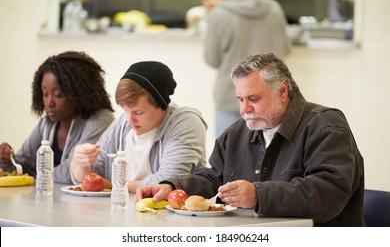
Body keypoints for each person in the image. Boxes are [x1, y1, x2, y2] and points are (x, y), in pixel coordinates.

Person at [136, 53, 365, 227]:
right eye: (240, 99)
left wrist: (259, 195)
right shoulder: (236, 133)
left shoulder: (325, 127)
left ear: (283, 92)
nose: (244, 109)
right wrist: (173, 187)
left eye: (253, 98)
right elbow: (215, 177)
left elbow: (329, 193)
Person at [70, 61, 207, 193]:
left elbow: (169, 181)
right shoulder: (124, 123)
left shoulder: (186, 122)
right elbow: (94, 177)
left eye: (138, 112)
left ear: (162, 105)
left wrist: (116, 186)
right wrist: (80, 162)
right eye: (125, 111)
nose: (130, 119)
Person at [0, 51, 115, 184]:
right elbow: (25, 165)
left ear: (78, 94)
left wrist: (38, 178)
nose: (49, 103)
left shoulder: (100, 120)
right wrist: (8, 160)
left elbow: (70, 172)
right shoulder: (48, 124)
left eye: (58, 95)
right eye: (45, 94)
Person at [205, 0, 290, 136]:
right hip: (267, 98)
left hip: (231, 97)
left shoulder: (219, 14)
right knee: (269, 157)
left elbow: (211, 59)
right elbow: (284, 51)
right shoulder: (274, 9)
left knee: (228, 156)